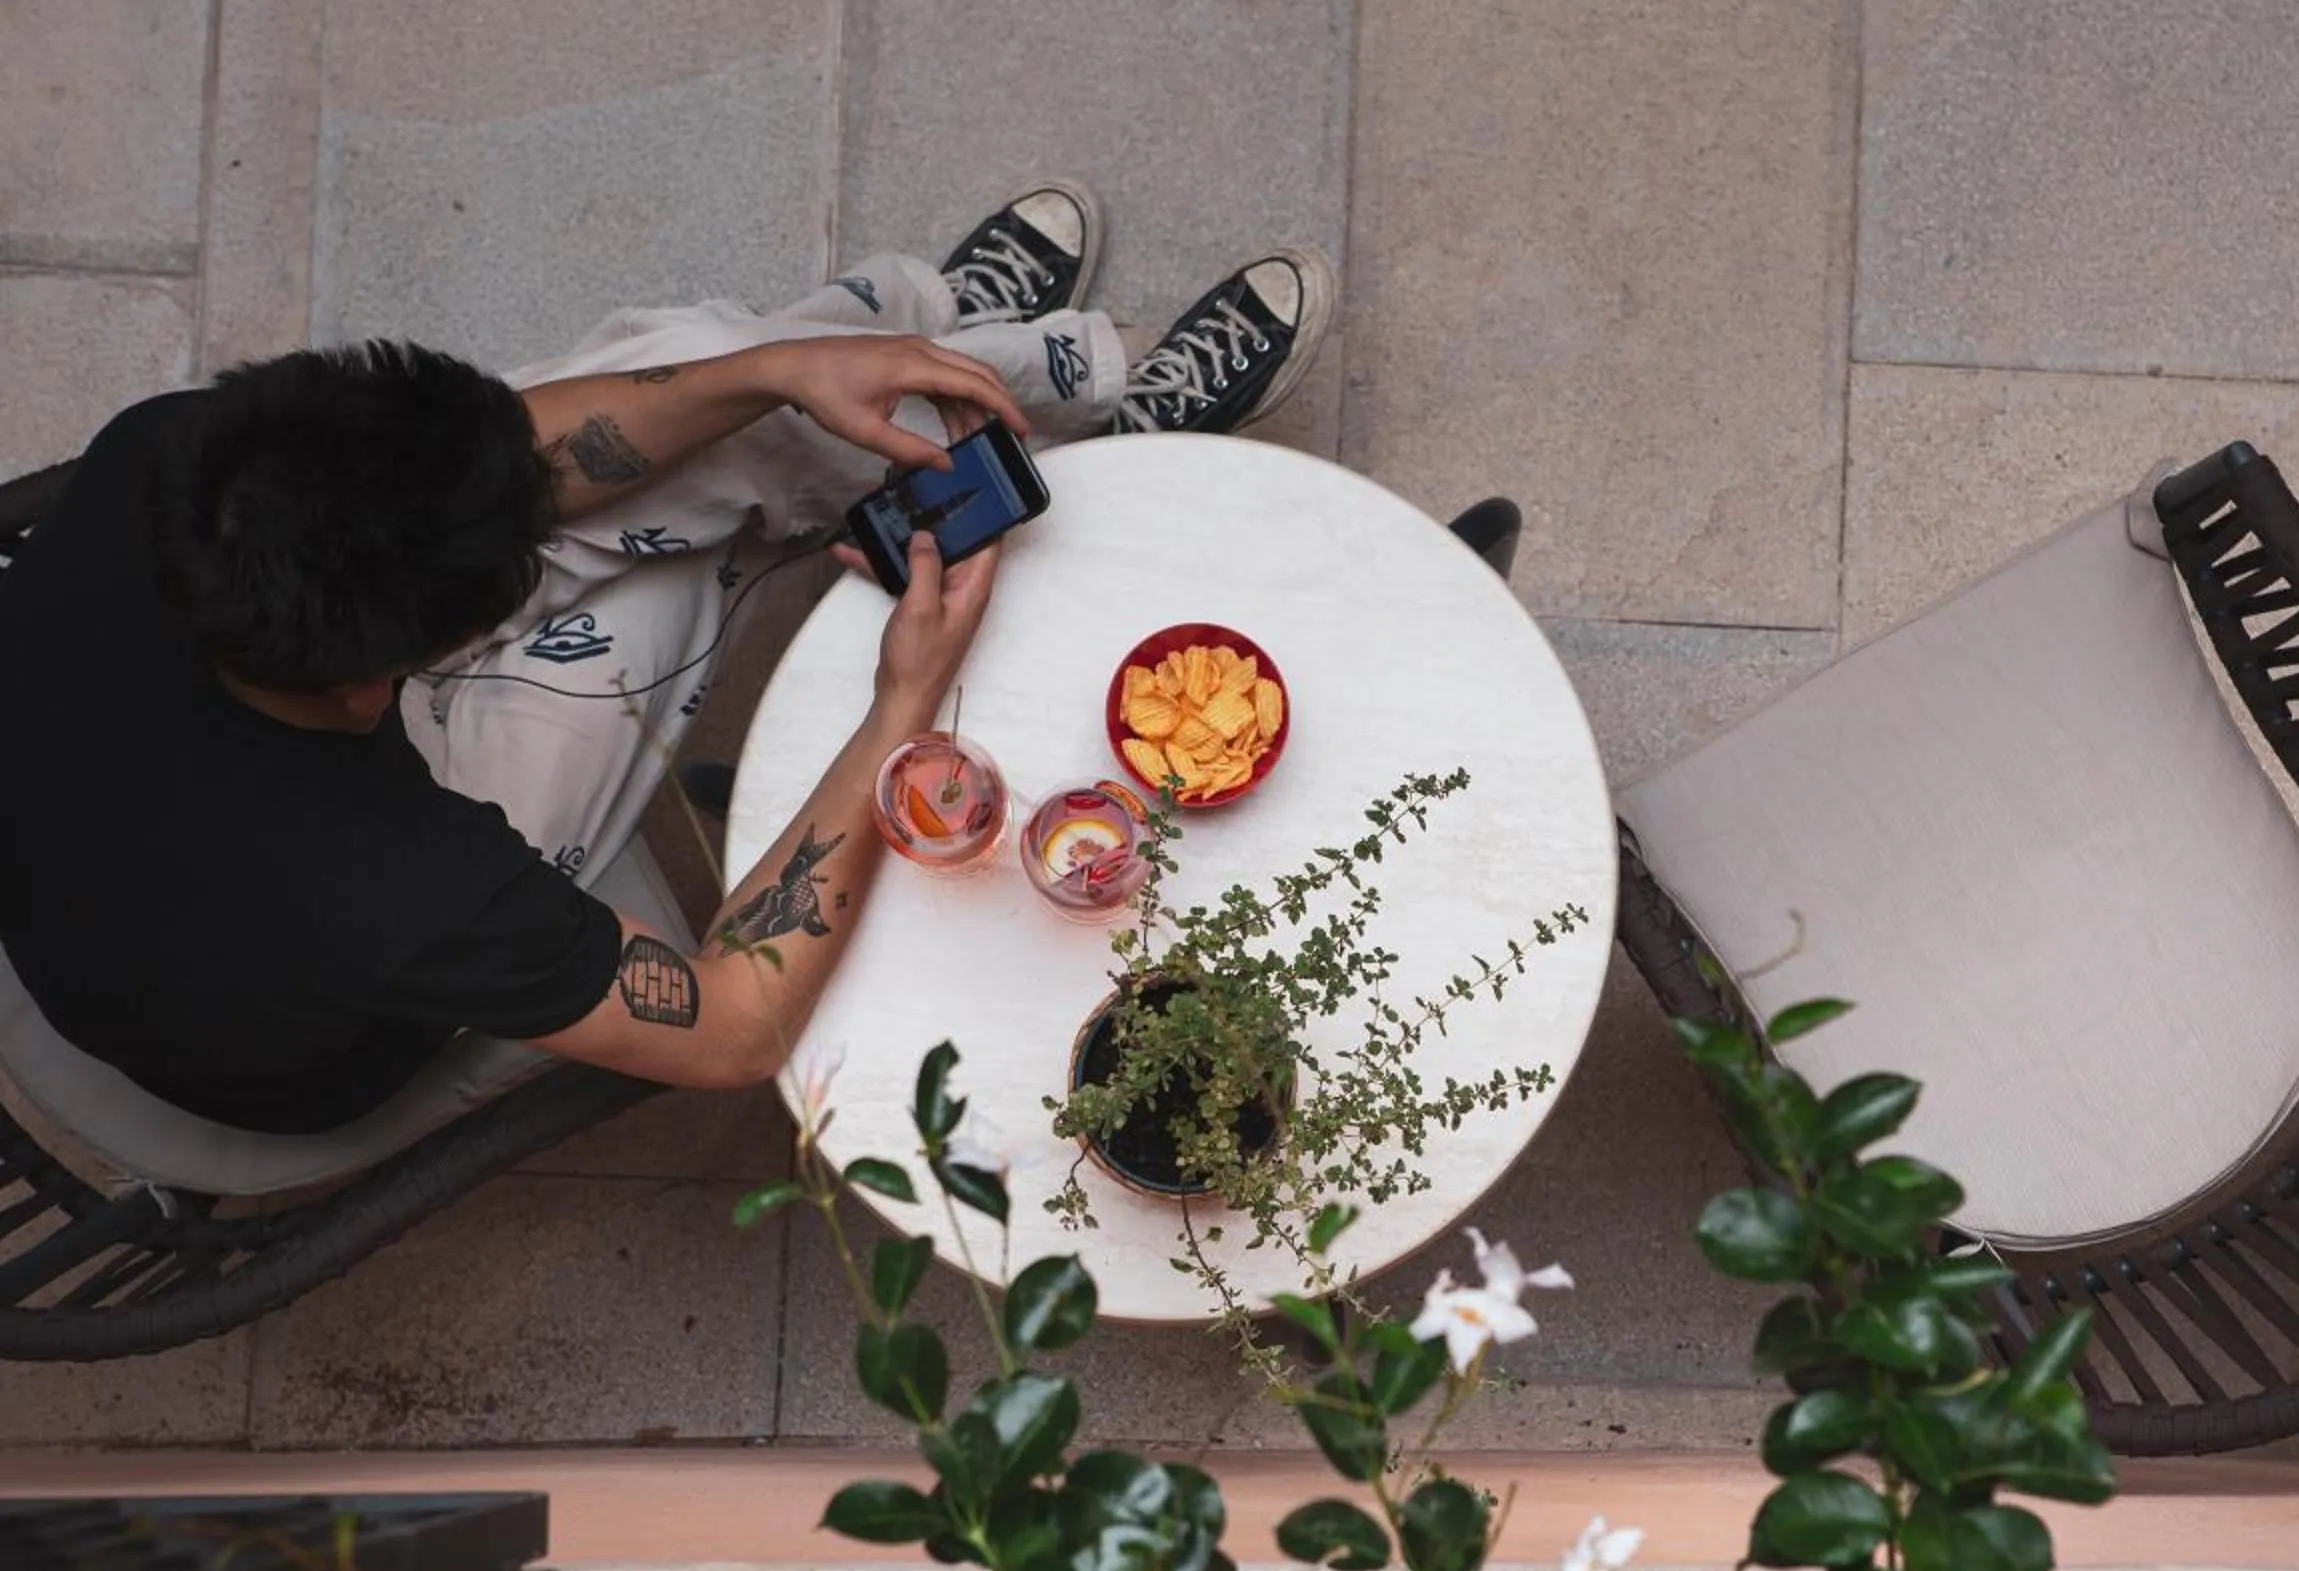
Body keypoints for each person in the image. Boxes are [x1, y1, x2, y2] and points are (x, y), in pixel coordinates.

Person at [0, 186, 1335, 1162]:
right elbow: (731, 1026)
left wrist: (768, 370)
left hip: (112, 852)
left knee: (696, 366)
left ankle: (904, 363)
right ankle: (981, 397)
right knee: (665, 583)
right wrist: (902, 705)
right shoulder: (410, 890)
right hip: (292, 1033)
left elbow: (527, 450)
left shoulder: (175, 465)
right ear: (389, 686)